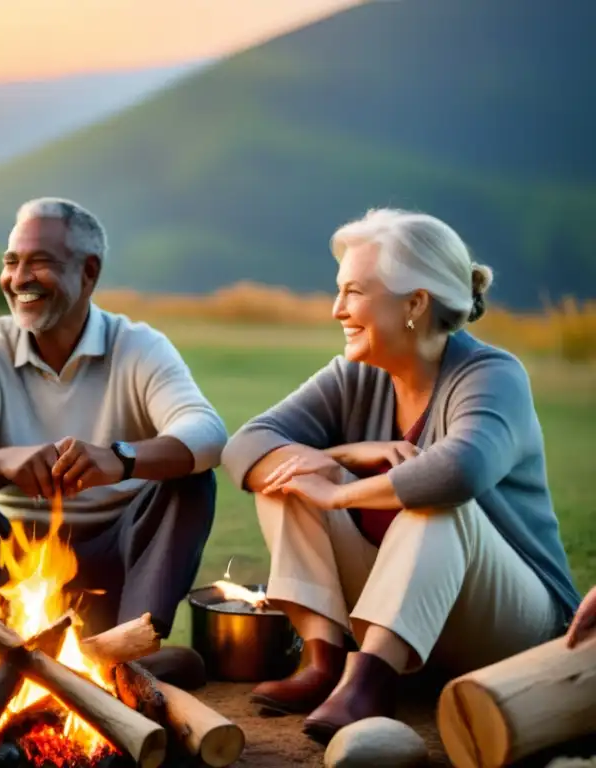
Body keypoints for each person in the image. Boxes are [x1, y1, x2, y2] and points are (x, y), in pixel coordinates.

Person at [221, 208, 581, 744]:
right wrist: (348, 455)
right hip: (408, 608)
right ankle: (325, 660)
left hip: (512, 628)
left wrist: (337, 494)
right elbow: (245, 446)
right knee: (287, 477)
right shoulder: (354, 373)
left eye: (356, 293)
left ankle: (372, 681)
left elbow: (459, 471)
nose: (337, 309)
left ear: (415, 303)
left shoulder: (492, 375)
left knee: (434, 501)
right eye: (339, 291)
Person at [0, 197, 228, 642]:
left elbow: (208, 433)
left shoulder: (138, 345)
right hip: (11, 564)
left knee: (190, 480)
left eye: (39, 263)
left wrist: (119, 460)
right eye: (11, 262)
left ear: (89, 272)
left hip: (114, 566)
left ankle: (130, 649)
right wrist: (6, 462)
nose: (19, 279)